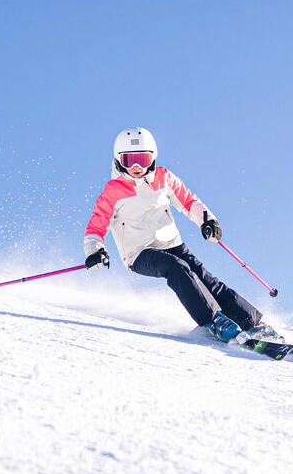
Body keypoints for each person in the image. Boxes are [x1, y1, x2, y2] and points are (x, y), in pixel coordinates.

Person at [83, 127, 280, 342]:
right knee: (177, 269)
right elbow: (96, 227)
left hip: (171, 243)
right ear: (119, 160)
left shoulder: (163, 177)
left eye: (143, 158)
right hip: (139, 252)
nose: (137, 167)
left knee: (206, 278)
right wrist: (96, 250)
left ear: (153, 157)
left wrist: (207, 221)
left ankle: (251, 322)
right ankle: (214, 320)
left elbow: (188, 201)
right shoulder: (112, 191)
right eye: (130, 160)